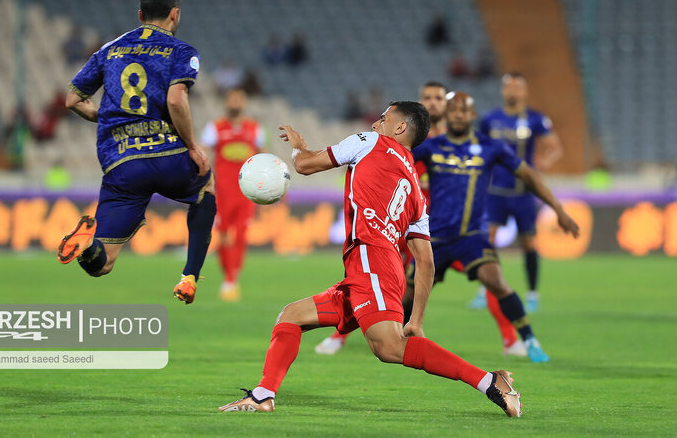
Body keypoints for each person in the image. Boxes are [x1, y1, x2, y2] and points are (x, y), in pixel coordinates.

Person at [219, 102, 523, 418]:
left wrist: (298, 148)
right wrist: (415, 319)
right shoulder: (417, 194)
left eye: (384, 117)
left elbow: (306, 165)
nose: (377, 122)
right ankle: (262, 395)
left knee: (388, 347)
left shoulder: (368, 141)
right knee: (291, 316)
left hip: (370, 258)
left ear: (400, 127)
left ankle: (490, 381)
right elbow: (426, 262)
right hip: (375, 265)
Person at [315, 82, 521, 357]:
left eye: (438, 98)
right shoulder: (407, 141)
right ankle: (344, 334)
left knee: (488, 276)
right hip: (393, 220)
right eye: (427, 98)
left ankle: (510, 339)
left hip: (431, 228)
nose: (433, 103)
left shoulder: (448, 143)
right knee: (371, 280)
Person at [57, 0, 215, 307]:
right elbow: (176, 99)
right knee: (206, 188)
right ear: (175, 14)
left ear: (140, 14)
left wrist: (110, 117)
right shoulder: (181, 51)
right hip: (166, 154)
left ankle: (86, 245)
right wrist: (193, 146)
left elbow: (72, 99)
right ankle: (189, 276)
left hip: (121, 163)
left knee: (104, 263)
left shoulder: (109, 49)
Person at [408, 91, 578, 363]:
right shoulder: (431, 147)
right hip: (435, 238)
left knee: (497, 282)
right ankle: (393, 339)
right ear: (446, 115)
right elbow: (396, 163)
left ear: (473, 115)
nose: (459, 114)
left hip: (472, 237)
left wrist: (558, 209)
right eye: (453, 110)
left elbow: (529, 174)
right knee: (408, 293)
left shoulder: (491, 147)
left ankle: (529, 340)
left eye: (464, 110)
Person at [470, 72, 563, 312]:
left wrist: (543, 162)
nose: (512, 92)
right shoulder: (491, 119)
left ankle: (532, 294)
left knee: (529, 243)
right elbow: (477, 147)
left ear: (524, 91)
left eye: (517, 88)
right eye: (508, 87)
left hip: (523, 191)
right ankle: (485, 291)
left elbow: (555, 147)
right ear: (503, 91)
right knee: (488, 241)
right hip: (495, 190)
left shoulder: (535, 119)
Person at [201, 88, 266, 301]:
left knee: (240, 236)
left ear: (244, 102)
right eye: (232, 99)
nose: (235, 102)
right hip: (222, 193)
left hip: (246, 194)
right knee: (222, 235)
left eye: (239, 98)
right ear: (226, 102)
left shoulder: (254, 129)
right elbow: (203, 154)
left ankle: (231, 278)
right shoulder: (215, 128)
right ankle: (229, 277)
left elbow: (263, 158)